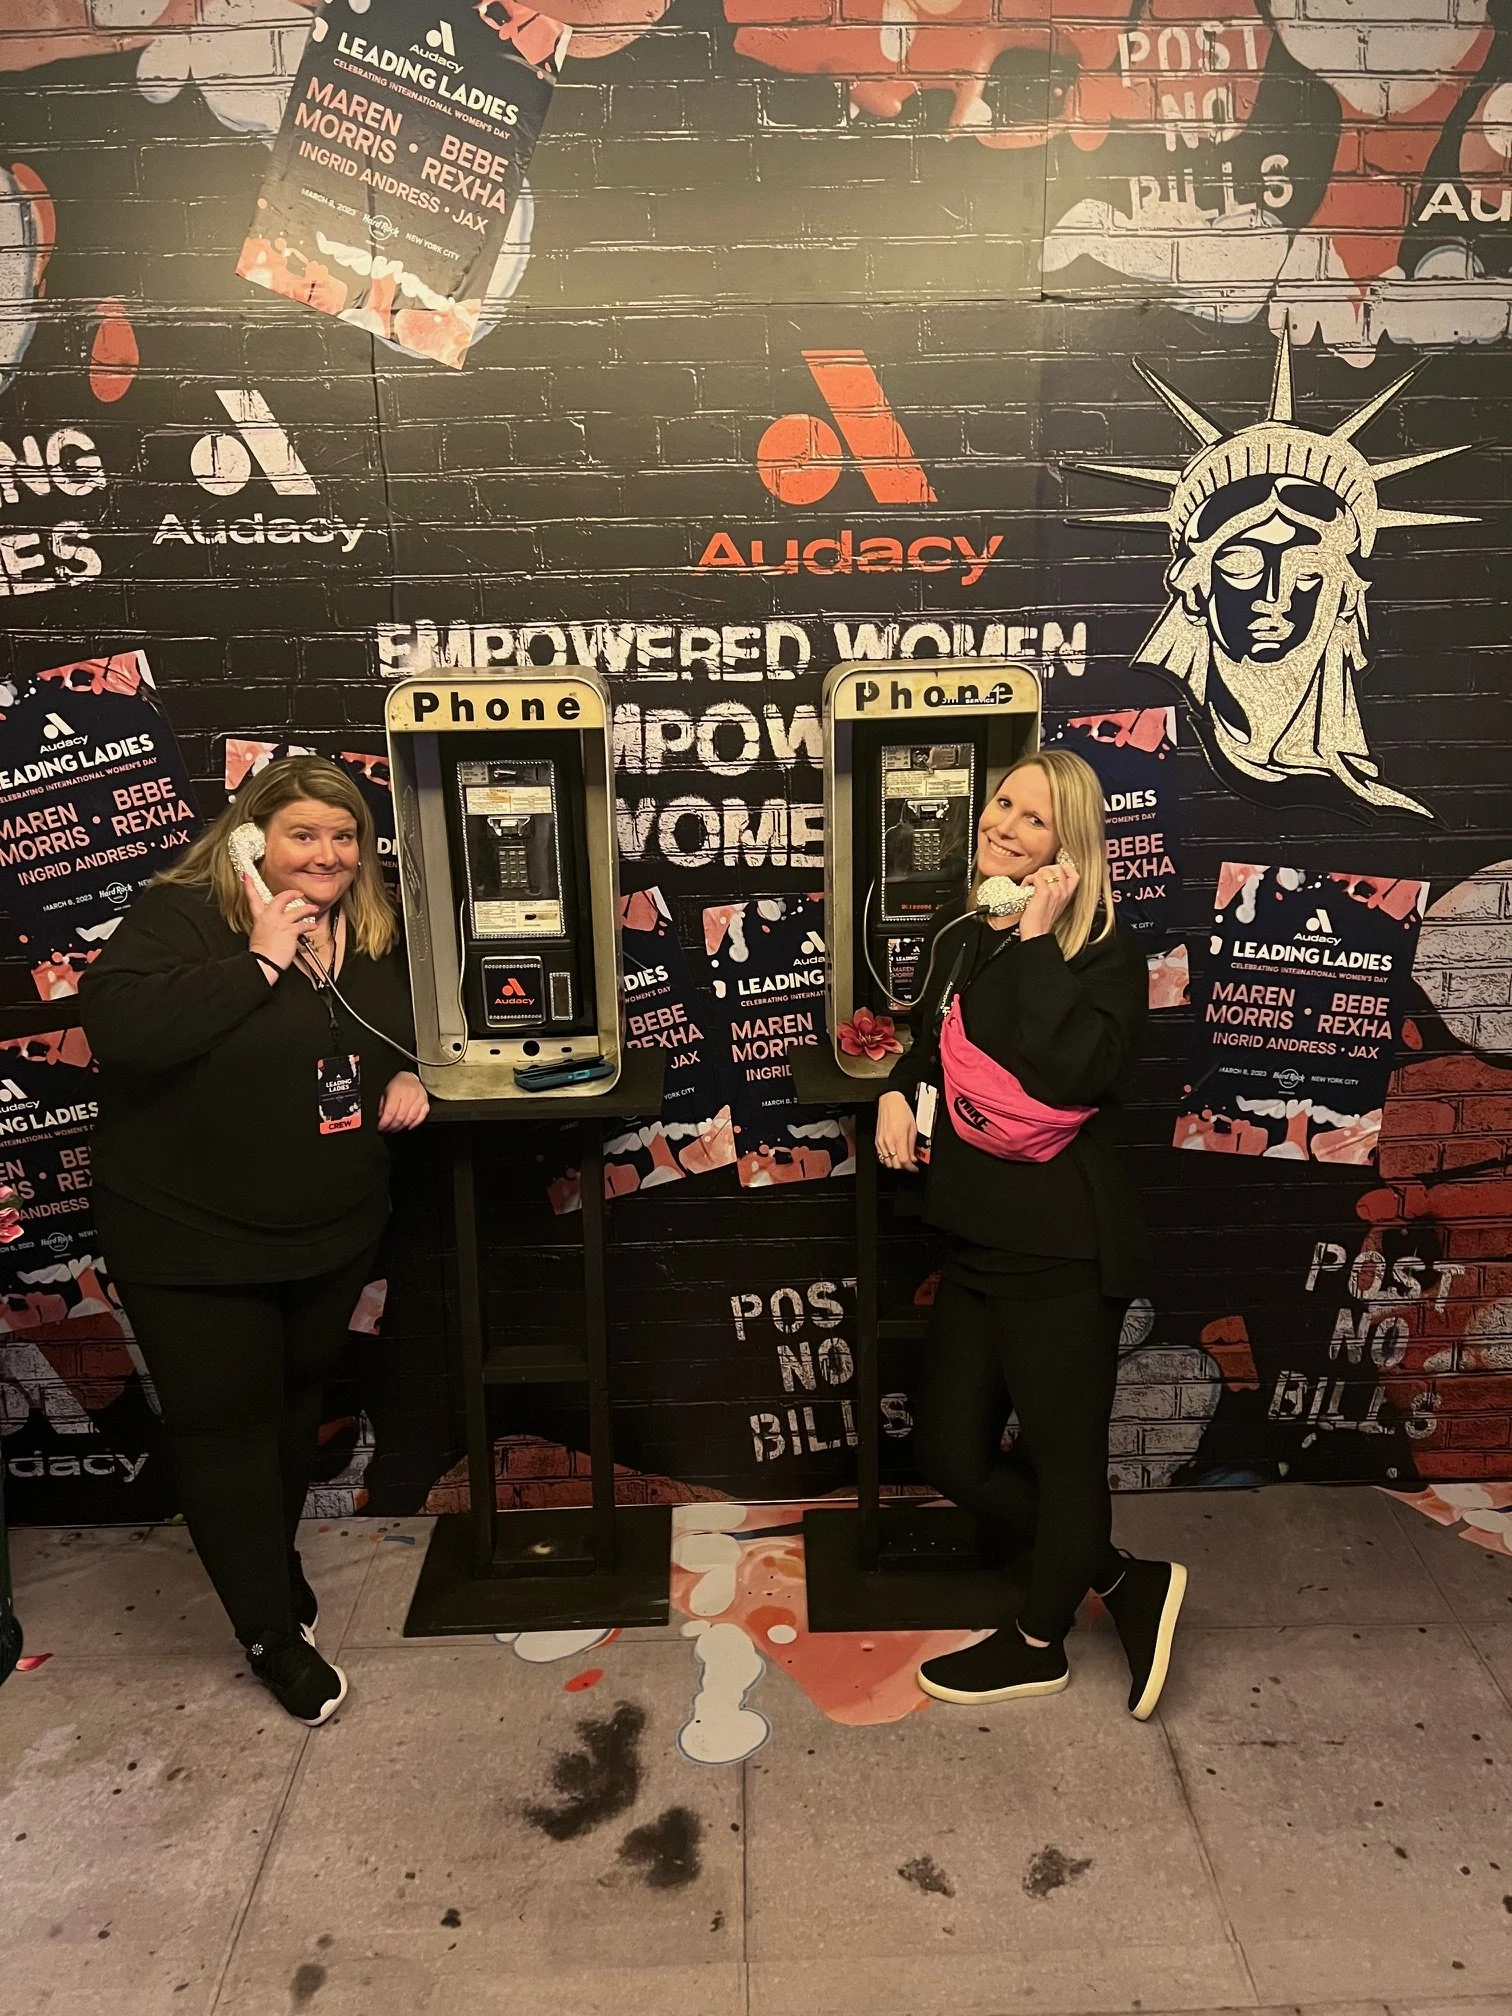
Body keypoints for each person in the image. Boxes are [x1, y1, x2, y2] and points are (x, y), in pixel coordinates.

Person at [80, 756, 429, 1727]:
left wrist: (408, 1073)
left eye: (343, 836)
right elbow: (122, 1028)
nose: (326, 854)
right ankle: (270, 1634)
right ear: (250, 838)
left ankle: (266, 1571)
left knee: (288, 1411)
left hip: (328, 1227)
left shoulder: (367, 926)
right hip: (192, 1237)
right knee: (226, 1429)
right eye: (303, 834)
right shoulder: (186, 915)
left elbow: (388, 1027)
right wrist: (262, 957)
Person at [877, 748, 1187, 1718]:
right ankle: (1124, 1579)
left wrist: (1046, 937)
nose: (1005, 824)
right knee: (947, 1452)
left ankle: (1035, 1643)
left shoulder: (1101, 946)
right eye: (1002, 803)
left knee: (1063, 1463)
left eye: (1034, 819)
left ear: (1073, 846)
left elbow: (1073, 1074)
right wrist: (896, 1093)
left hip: (1060, 1249)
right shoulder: (973, 924)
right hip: (975, 1231)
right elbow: (930, 1036)